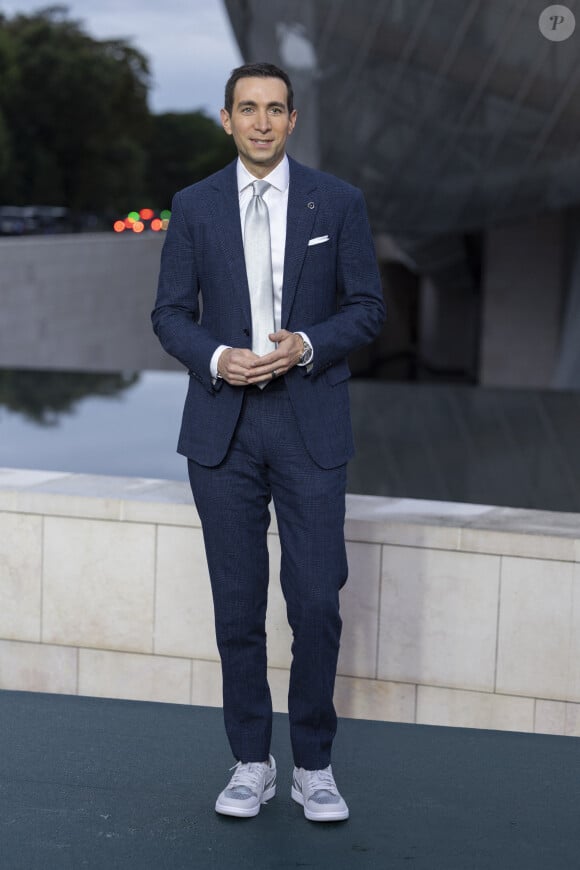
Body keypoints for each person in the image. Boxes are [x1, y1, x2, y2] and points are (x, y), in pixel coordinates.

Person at [152, 62, 385, 822]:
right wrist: (219, 358)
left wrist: (308, 344)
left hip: (310, 421)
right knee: (237, 607)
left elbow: (368, 309)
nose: (260, 121)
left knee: (316, 602)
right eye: (246, 109)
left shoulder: (339, 202)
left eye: (274, 109)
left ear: (292, 119)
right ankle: (250, 761)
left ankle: (313, 765)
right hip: (223, 427)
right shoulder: (193, 206)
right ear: (226, 119)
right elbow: (169, 314)